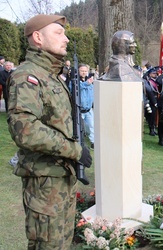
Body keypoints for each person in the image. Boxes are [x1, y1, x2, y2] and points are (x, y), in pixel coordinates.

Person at [7, 14, 92, 249]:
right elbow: (26, 130)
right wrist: (74, 150)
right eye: (58, 33)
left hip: (62, 178)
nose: (65, 38)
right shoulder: (27, 76)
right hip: (45, 184)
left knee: (62, 243)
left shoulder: (52, 76)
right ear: (37, 37)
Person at [77, 64, 95, 149]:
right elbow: (76, 88)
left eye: (85, 71)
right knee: (79, 128)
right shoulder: (75, 81)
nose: (84, 73)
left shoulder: (90, 82)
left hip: (89, 110)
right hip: (79, 110)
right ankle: (80, 143)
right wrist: (86, 84)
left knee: (92, 126)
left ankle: (93, 142)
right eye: (82, 71)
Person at [143, 67, 159, 136]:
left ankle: (153, 128)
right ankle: (151, 129)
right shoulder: (148, 82)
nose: (155, 74)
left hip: (155, 99)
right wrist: (154, 102)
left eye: (155, 73)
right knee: (151, 116)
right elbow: (150, 92)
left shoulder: (155, 81)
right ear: (149, 74)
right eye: (153, 73)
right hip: (151, 100)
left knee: (154, 115)